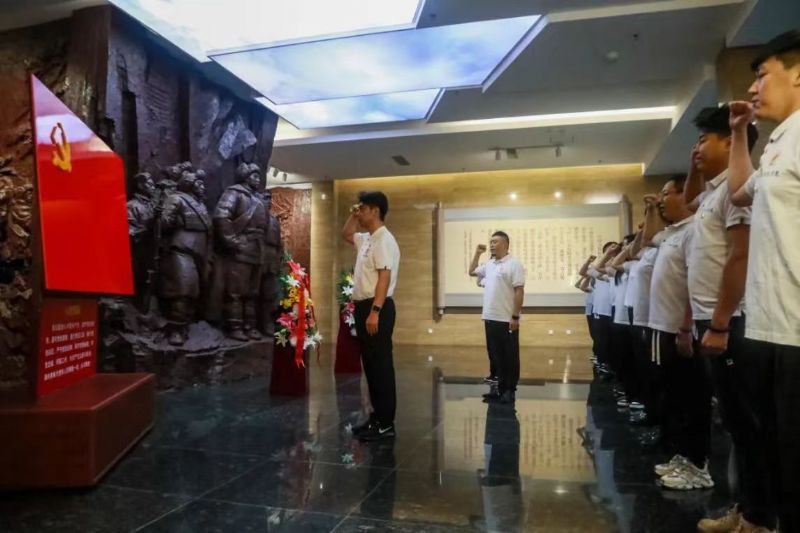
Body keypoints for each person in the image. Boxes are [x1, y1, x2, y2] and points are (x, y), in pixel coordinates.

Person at [682, 106, 772, 532]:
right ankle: (746, 509)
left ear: (728, 141)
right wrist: (694, 165)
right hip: (712, 321)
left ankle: (759, 518)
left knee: (748, 426)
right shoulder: (711, 195)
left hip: (731, 322)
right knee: (736, 424)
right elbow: (687, 199)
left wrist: (719, 324)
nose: (697, 148)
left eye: (704, 139)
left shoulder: (736, 193)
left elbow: (741, 256)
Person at [725, 29, 800, 532]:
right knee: (778, 460)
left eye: (762, 75)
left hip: (796, 329)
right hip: (770, 326)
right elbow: (739, 194)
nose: (753, 88)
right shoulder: (779, 140)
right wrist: (738, 133)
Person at [645, 178, 713, 491]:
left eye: (665, 193)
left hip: (681, 330)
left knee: (692, 398)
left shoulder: (693, 230)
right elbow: (648, 238)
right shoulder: (671, 233)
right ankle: (684, 456)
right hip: (664, 327)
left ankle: (698, 466)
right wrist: (651, 210)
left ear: (685, 194)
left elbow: (693, 282)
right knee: (674, 397)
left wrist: (686, 327)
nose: (661, 199)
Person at [341, 191, 400, 441]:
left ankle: (386, 424)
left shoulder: (384, 239)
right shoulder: (366, 238)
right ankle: (377, 418)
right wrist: (353, 215)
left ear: (375, 211)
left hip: (378, 307)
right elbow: (346, 234)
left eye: (363, 208)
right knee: (371, 366)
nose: (359, 211)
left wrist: (375, 311)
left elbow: (384, 277)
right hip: (364, 307)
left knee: (381, 366)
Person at [469, 231, 526, 404]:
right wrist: (477, 253)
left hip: (506, 319)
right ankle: (499, 389)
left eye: (495, 242)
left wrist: (515, 316)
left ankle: (510, 390)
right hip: (490, 317)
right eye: (491, 242)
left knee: (510, 356)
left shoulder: (514, 264)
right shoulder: (489, 264)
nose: (492, 245)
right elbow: (471, 272)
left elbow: (519, 291)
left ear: (505, 244)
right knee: (495, 356)